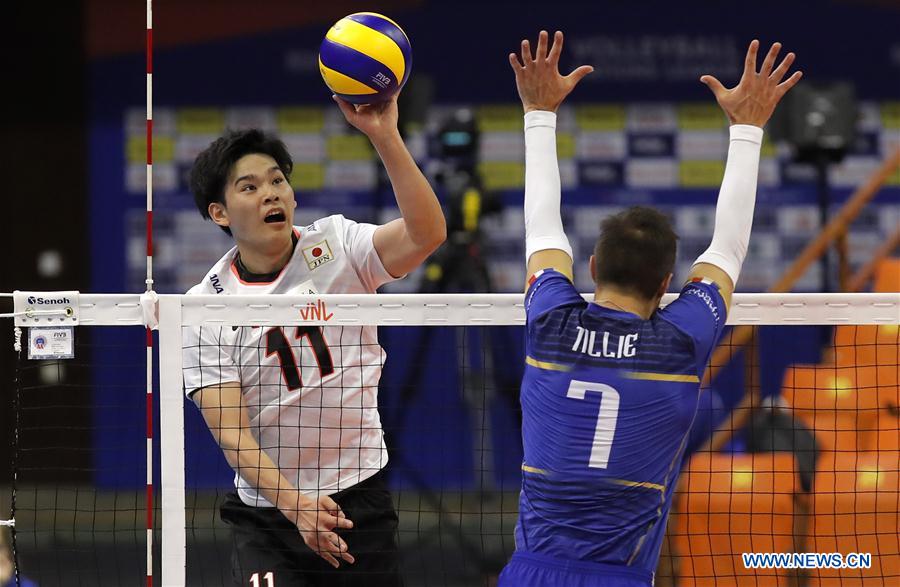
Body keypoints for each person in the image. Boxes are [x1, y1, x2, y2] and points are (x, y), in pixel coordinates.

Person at [499, 31, 801, 586]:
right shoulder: (679, 343)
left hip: (529, 574)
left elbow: (541, 229)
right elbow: (727, 251)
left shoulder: (550, 324)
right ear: (667, 285)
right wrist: (748, 128)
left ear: (592, 267)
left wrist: (538, 113)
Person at [182, 93, 446, 586]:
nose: (270, 194)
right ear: (220, 213)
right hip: (268, 514)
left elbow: (426, 234)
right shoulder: (206, 306)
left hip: (358, 497)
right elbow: (232, 434)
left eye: (277, 181)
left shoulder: (338, 246)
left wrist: (385, 136)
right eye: (249, 187)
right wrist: (296, 506)